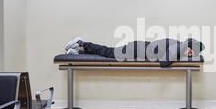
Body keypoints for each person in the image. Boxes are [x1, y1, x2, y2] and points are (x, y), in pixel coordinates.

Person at [64, 37, 205, 67]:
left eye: (193, 54)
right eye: (191, 50)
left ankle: (77, 52)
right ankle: (81, 43)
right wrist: (176, 57)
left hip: (137, 49)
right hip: (133, 50)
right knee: (107, 52)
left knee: (107, 51)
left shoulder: (179, 46)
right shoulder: (178, 47)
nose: (190, 54)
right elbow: (163, 63)